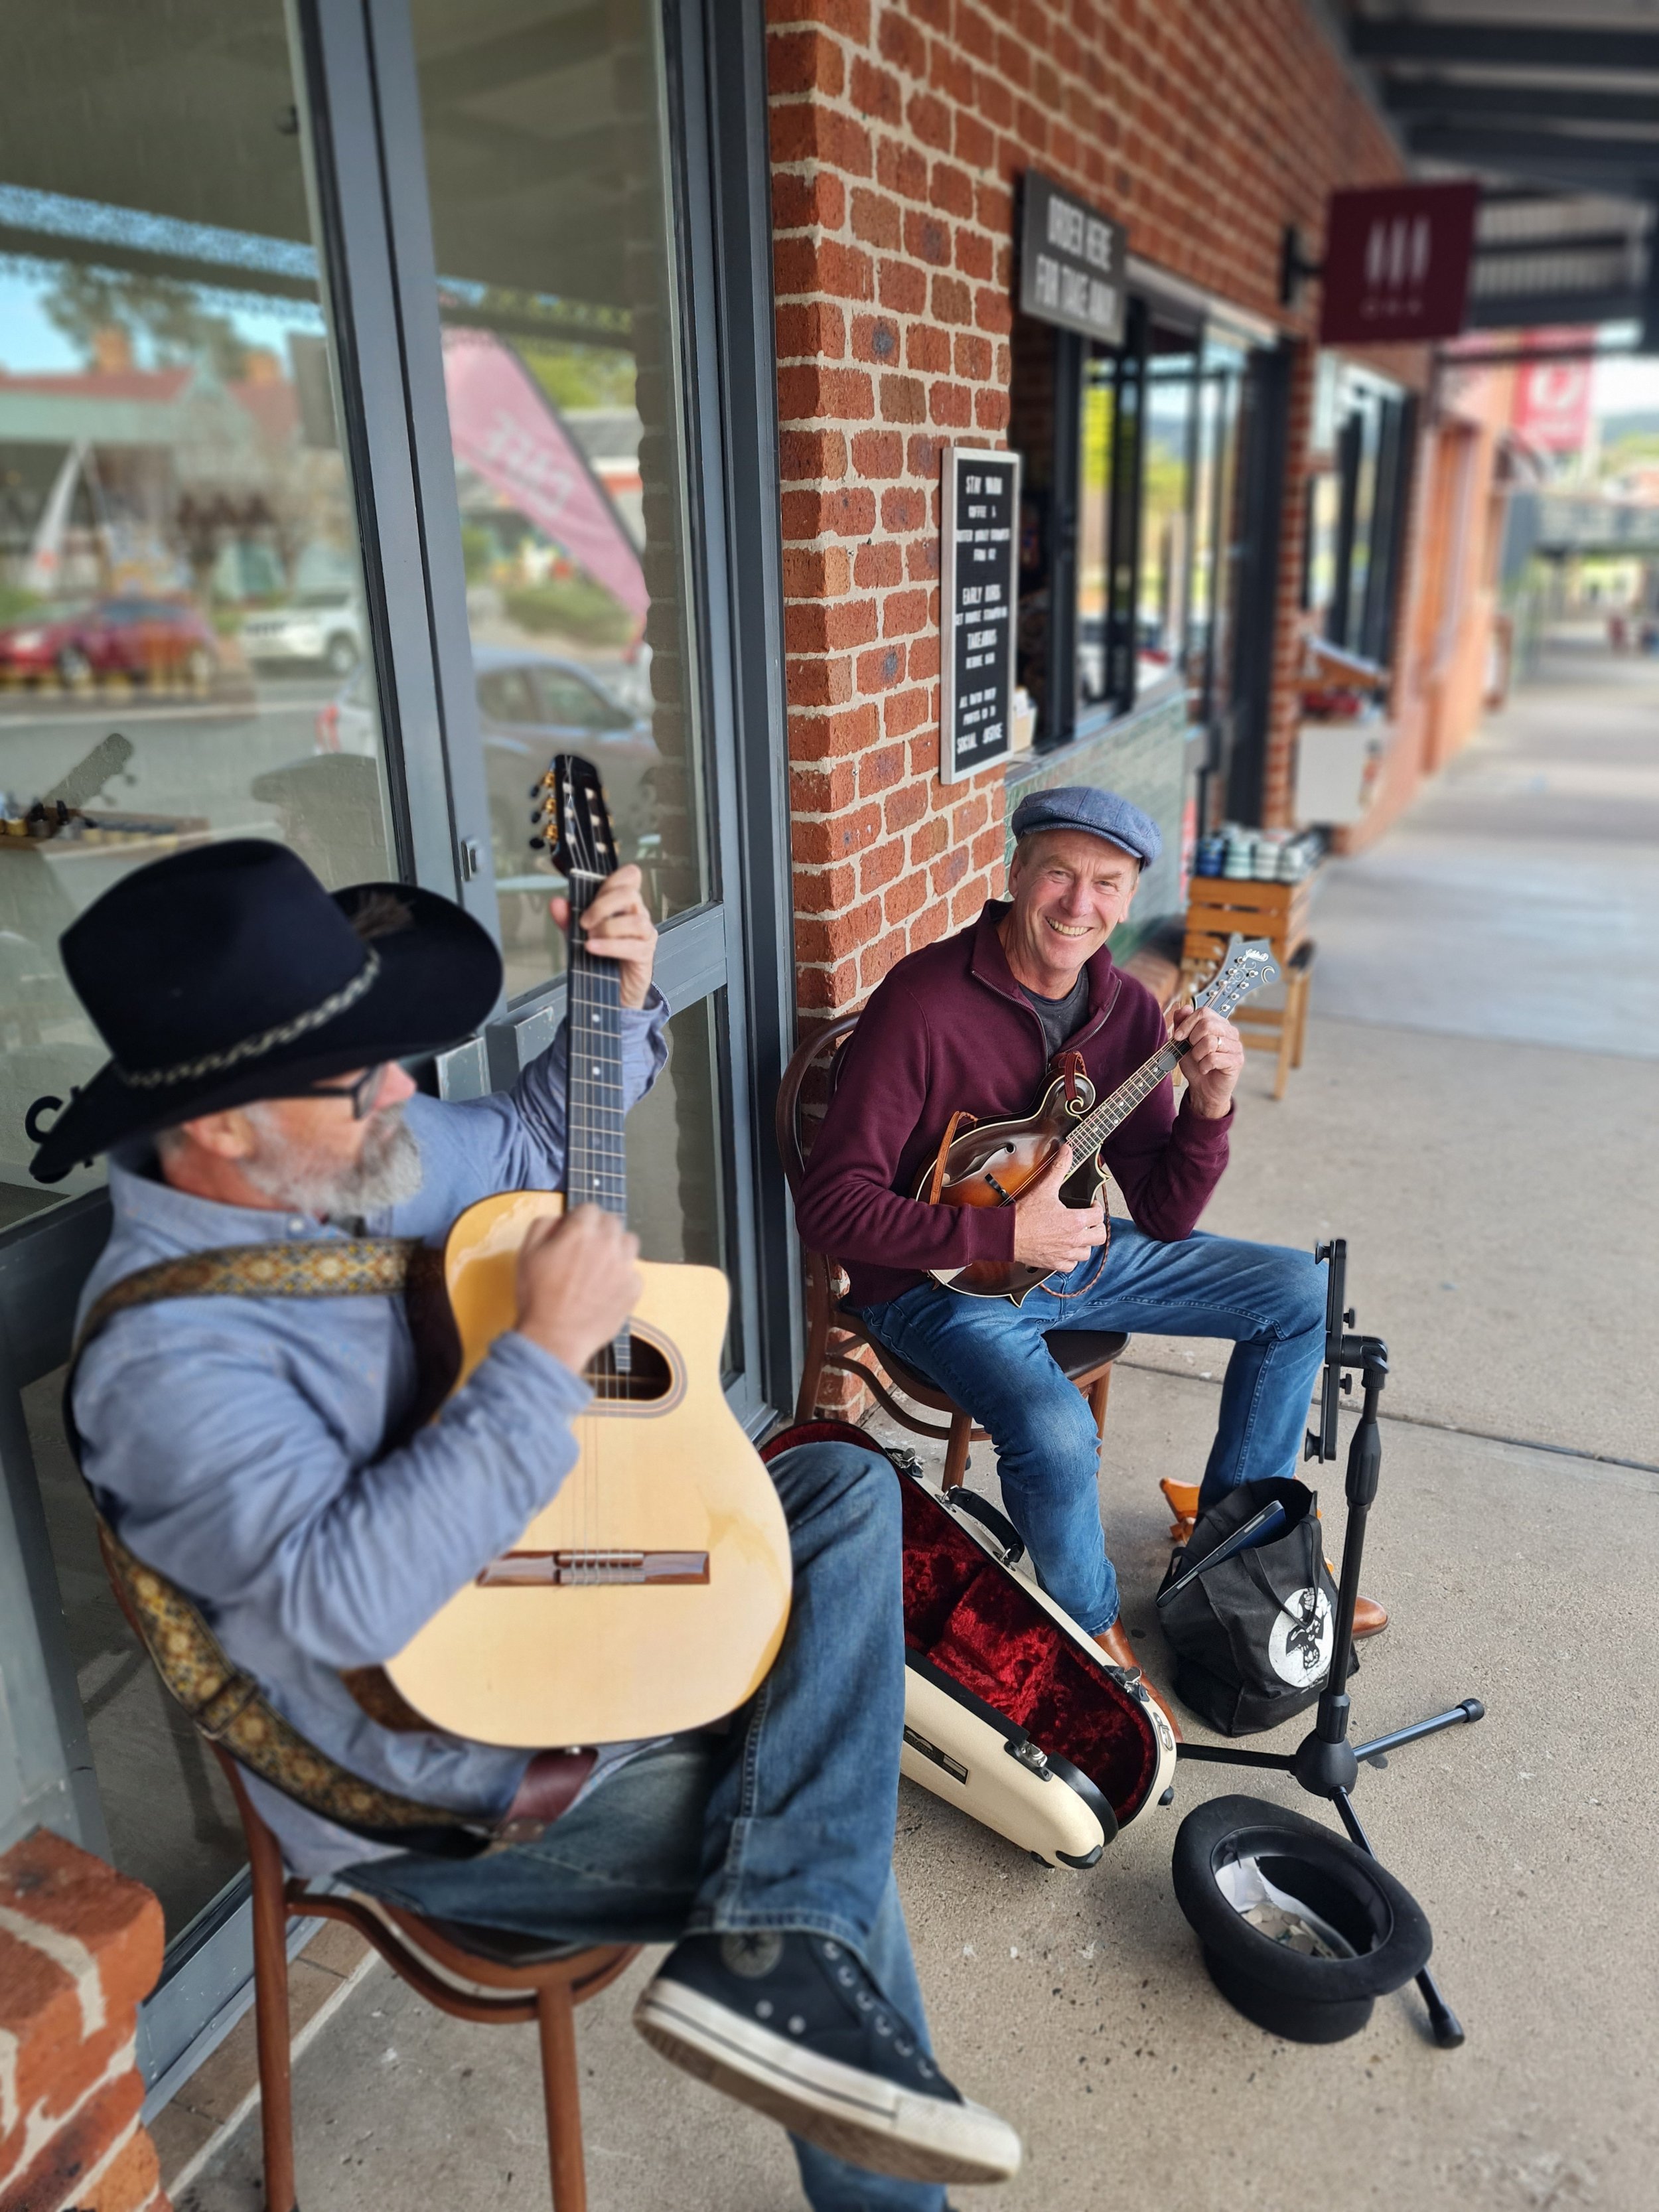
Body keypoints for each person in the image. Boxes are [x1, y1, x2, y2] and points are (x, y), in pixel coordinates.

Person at [44, 839, 1019, 2208]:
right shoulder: (165, 1358)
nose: (402, 1089)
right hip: (455, 1777)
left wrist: (616, 994)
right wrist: (537, 1356)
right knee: (823, 1844)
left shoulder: (336, 1154)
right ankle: (824, 2046)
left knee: (841, 1485)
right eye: (362, 1071)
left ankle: (777, 1941)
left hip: (552, 1604)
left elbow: (532, 1138)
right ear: (214, 1126)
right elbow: (340, 1603)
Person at [795, 786, 1385, 1707]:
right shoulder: (922, 1000)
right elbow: (830, 1208)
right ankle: (1090, 1630)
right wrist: (999, 1229)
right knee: (1059, 1435)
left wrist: (1211, 1104)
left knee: (1295, 1293)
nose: (1081, 904)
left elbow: (1163, 1207)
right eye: (1060, 874)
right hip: (931, 1283)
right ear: (1017, 871)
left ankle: (1231, 1553)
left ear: (1131, 894)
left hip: (1075, 1251)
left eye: (1107, 883)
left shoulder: (1127, 1015)